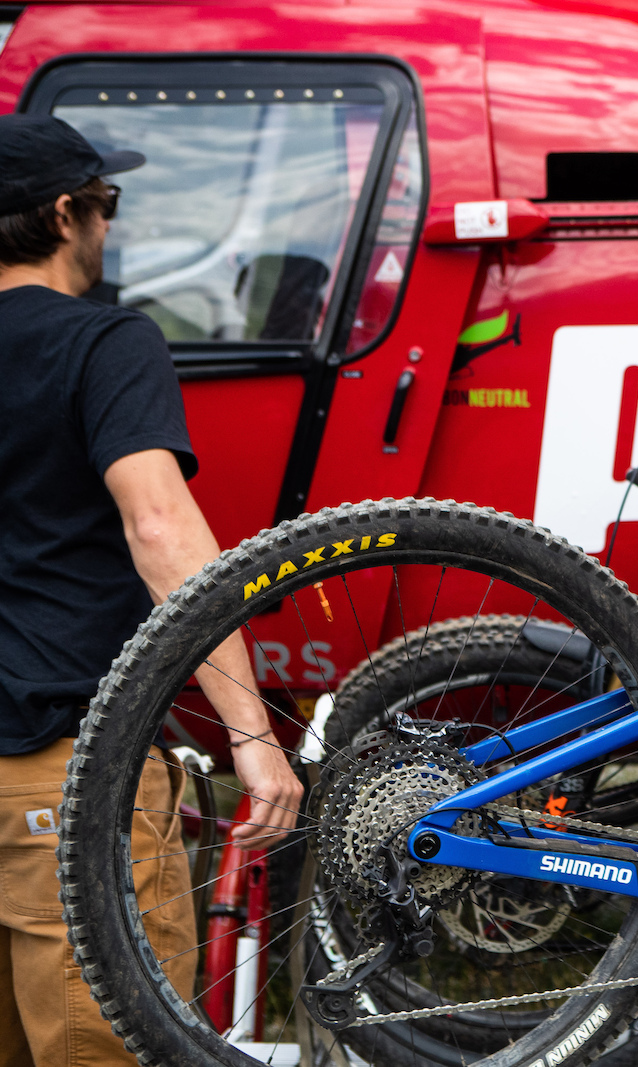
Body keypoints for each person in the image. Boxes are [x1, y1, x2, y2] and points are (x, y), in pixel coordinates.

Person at [0, 113, 303, 1065]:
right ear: (64, 213)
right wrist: (255, 741)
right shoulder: (104, 342)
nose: (109, 227)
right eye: (106, 205)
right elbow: (161, 531)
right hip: (67, 776)